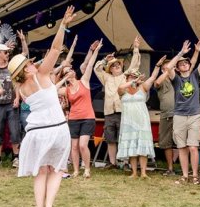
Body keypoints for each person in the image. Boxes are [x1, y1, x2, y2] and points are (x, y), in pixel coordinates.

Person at [8, 6, 75, 207]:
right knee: (56, 169)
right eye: (28, 63)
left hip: (35, 133)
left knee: (41, 172)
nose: (32, 63)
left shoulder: (22, 88)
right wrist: (63, 25)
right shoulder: (41, 75)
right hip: (55, 129)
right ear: (26, 69)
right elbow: (55, 49)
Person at [165, 32, 200, 184]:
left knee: (193, 147)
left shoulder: (195, 76)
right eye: (181, 64)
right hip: (179, 115)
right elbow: (167, 67)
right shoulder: (176, 79)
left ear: (190, 66)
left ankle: (195, 175)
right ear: (178, 68)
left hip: (194, 115)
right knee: (182, 147)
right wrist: (181, 53)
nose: (184, 65)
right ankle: (185, 175)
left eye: (186, 63)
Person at [94, 36, 141, 169]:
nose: (116, 66)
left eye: (118, 65)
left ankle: (125, 162)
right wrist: (105, 60)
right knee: (110, 138)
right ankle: (113, 162)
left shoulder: (125, 75)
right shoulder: (106, 77)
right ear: (110, 70)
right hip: (109, 112)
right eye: (113, 66)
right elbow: (97, 69)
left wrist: (136, 48)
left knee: (124, 138)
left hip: (123, 111)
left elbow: (135, 65)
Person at [117, 55, 167, 178]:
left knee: (142, 147)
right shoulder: (123, 90)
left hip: (141, 121)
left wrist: (157, 65)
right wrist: (132, 81)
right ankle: (134, 172)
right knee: (132, 147)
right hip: (128, 122)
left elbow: (153, 77)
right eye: (131, 77)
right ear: (127, 78)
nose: (134, 79)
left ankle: (144, 172)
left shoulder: (143, 88)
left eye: (135, 76)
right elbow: (120, 87)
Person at [59, 39, 103, 178]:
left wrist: (95, 51)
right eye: (67, 71)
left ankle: (87, 169)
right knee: (74, 146)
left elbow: (89, 65)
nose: (70, 71)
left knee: (83, 145)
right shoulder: (65, 89)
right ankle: (76, 170)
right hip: (73, 119)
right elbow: (51, 89)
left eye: (70, 70)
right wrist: (61, 76)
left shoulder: (83, 81)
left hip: (87, 117)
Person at [0, 37, 27, 167]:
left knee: (15, 131)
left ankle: (16, 157)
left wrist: (17, 98)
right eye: (4, 52)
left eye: (7, 52)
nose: (7, 54)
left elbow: (16, 83)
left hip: (11, 103)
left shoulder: (11, 67)